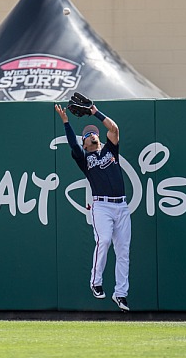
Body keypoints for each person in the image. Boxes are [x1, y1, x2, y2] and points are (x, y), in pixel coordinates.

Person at [55, 102, 131, 312]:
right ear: (85, 142)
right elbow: (72, 145)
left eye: (94, 133)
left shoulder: (110, 150)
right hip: (102, 206)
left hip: (121, 206)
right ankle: (95, 282)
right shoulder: (84, 158)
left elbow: (114, 129)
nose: (92, 136)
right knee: (104, 240)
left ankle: (121, 294)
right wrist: (66, 123)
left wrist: (95, 112)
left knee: (123, 252)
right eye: (88, 135)